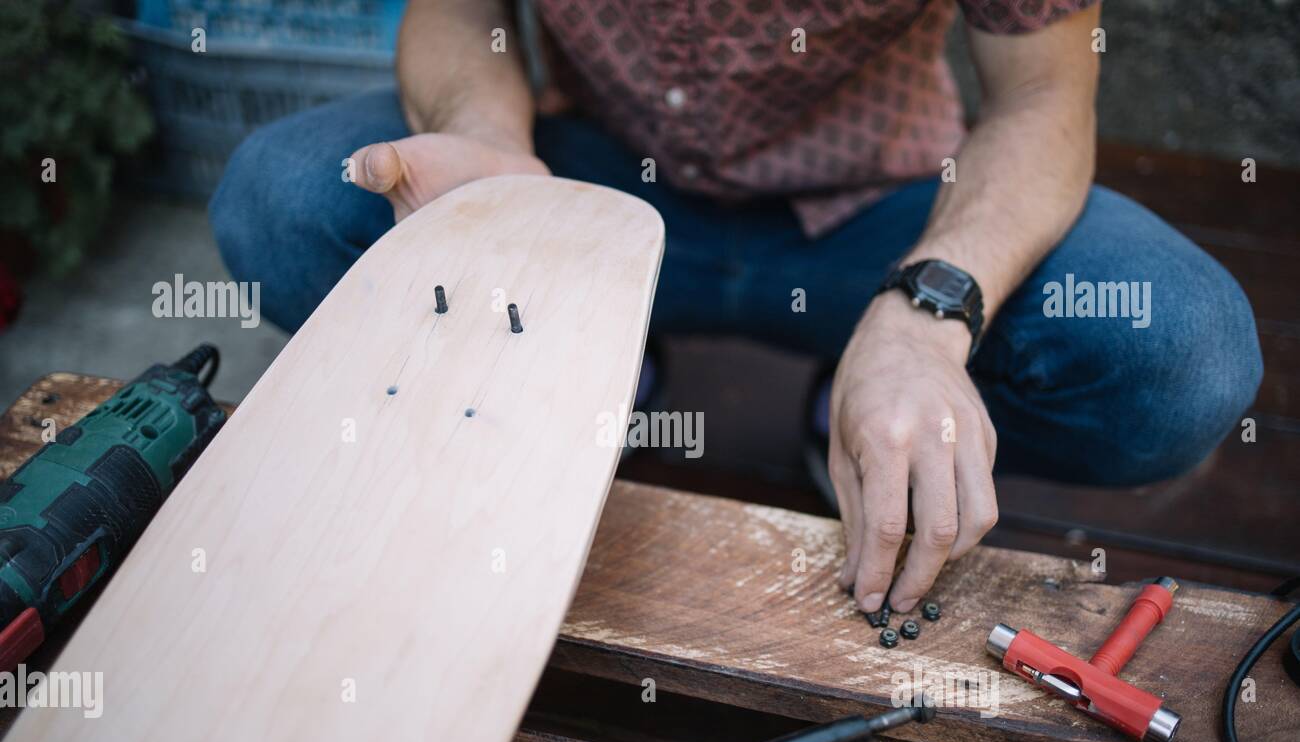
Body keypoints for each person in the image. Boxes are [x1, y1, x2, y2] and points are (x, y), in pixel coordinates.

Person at [210, 1, 1262, 618]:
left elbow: (1041, 98)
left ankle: (861, 401)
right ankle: (590, 359)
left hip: (882, 214)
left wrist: (926, 311)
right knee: (286, 199)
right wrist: (493, 153)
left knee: (1181, 355)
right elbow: (458, 15)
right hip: (594, 188)